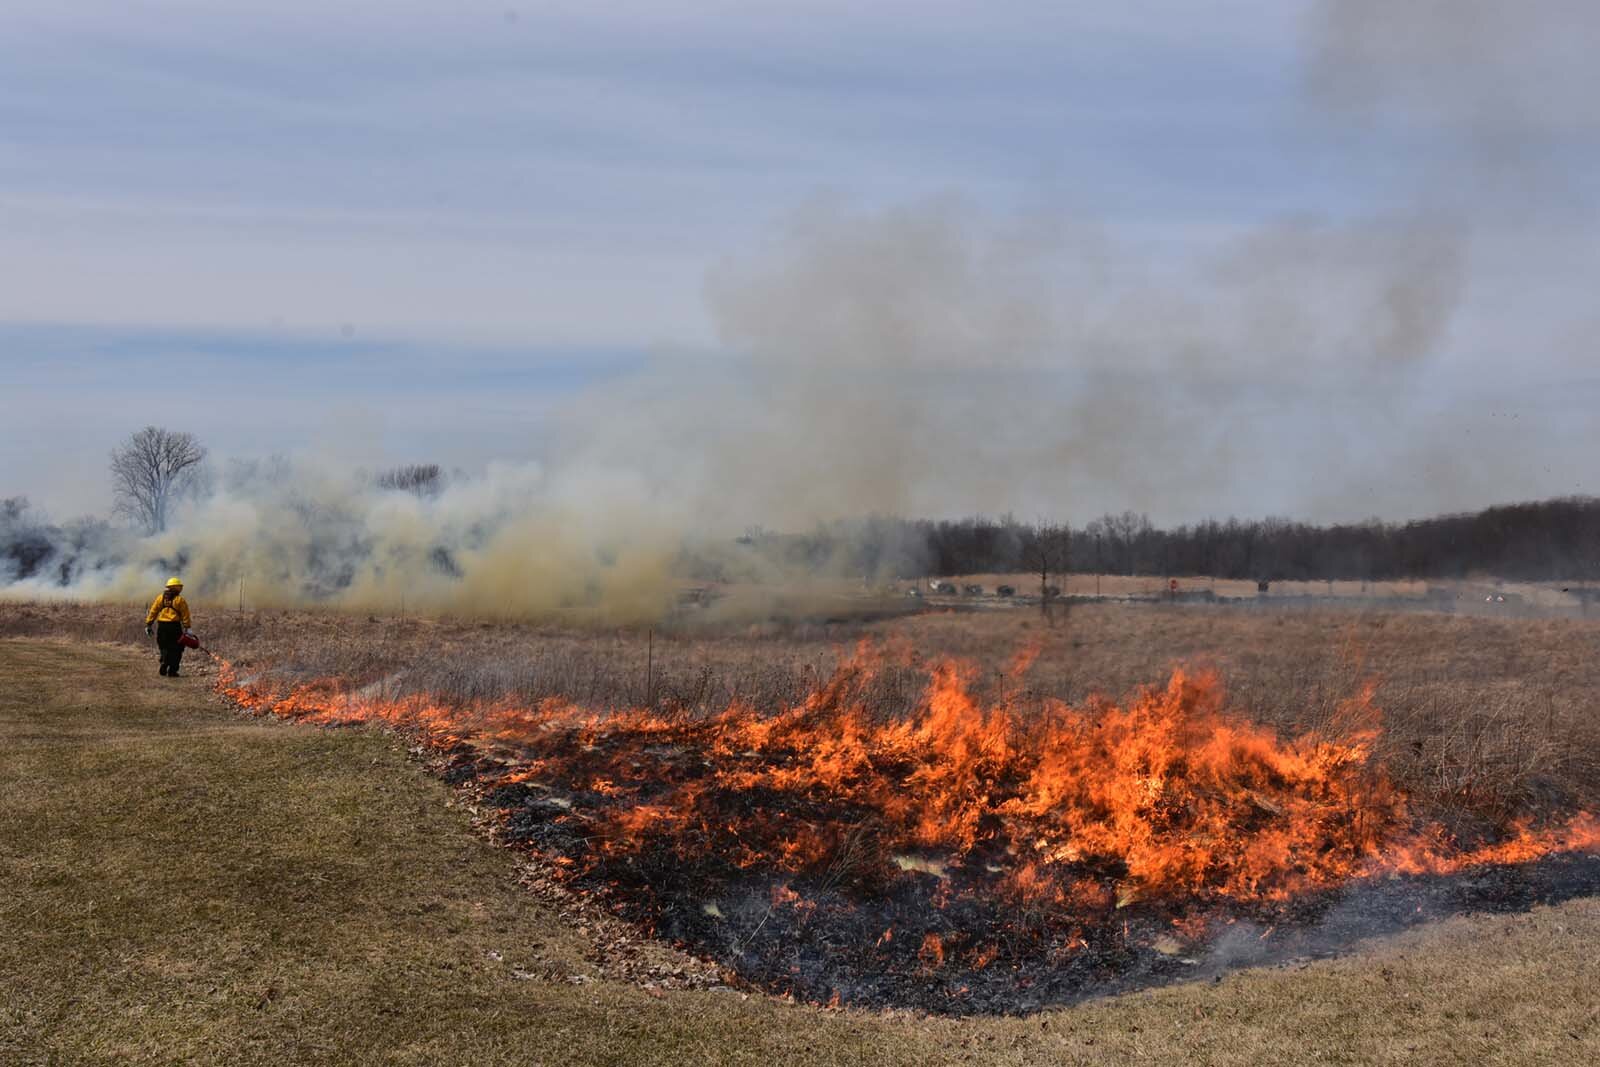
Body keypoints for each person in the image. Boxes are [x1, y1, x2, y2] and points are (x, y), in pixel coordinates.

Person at [144, 577, 193, 677]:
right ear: (176, 587)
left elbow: (153, 611)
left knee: (163, 646)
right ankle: (172, 671)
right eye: (179, 586)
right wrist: (187, 628)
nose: (180, 588)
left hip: (162, 627)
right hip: (174, 627)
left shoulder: (160, 598)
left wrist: (149, 624)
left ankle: (164, 661)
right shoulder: (180, 600)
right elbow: (185, 615)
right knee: (177, 649)